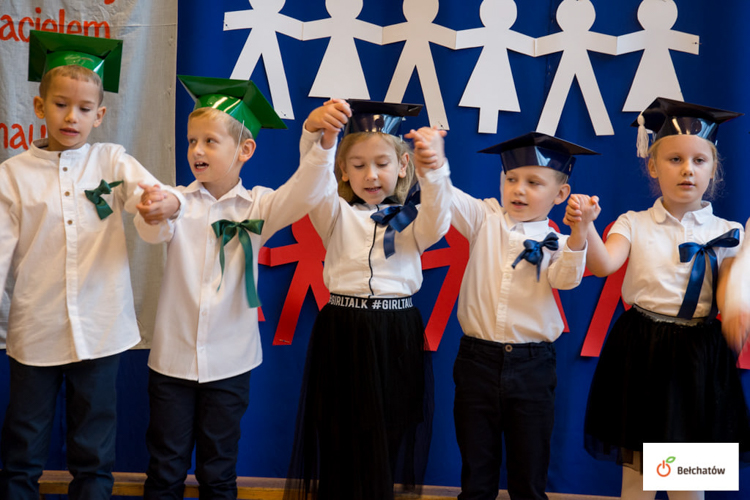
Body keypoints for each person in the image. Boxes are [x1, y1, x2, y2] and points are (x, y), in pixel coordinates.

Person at [133, 75, 340, 500]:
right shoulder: (178, 201)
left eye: (210, 141)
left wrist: (318, 140)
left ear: (245, 150)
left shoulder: (259, 206)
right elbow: (153, 229)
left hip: (230, 366)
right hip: (171, 365)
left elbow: (307, 191)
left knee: (219, 469)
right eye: (192, 141)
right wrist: (157, 211)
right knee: (165, 468)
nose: (197, 151)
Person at [0, 31, 182, 500]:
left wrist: (161, 206)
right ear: (40, 108)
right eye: (61, 104)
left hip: (101, 330)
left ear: (100, 116)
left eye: (84, 109)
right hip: (35, 330)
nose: (72, 116)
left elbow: (154, 197)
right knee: (23, 442)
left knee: (94, 447)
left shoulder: (111, 161)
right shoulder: (13, 175)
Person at [565, 97, 750, 500]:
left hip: (699, 356)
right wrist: (587, 229)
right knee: (641, 474)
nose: (688, 169)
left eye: (700, 160)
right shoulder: (634, 222)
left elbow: (731, 294)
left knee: (689, 475)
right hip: (642, 351)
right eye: (674, 159)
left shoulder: (731, 230)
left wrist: (738, 305)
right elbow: (603, 264)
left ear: (713, 169)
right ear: (652, 166)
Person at [283, 100, 452, 500]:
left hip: (397, 333)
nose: (370, 175)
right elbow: (312, 181)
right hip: (343, 330)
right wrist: (315, 134)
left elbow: (439, 218)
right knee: (340, 435)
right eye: (357, 165)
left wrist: (435, 169)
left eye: (381, 163)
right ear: (343, 170)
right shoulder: (334, 213)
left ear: (402, 167)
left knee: (389, 432)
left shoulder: (413, 222)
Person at [426, 131, 596, 500]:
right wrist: (436, 161)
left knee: (529, 471)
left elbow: (565, 281)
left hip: (533, 365)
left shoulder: (558, 242)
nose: (519, 189)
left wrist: (579, 233)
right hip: (477, 360)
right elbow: (446, 196)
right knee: (477, 468)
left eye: (534, 182)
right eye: (511, 179)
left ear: (560, 194)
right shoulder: (483, 218)